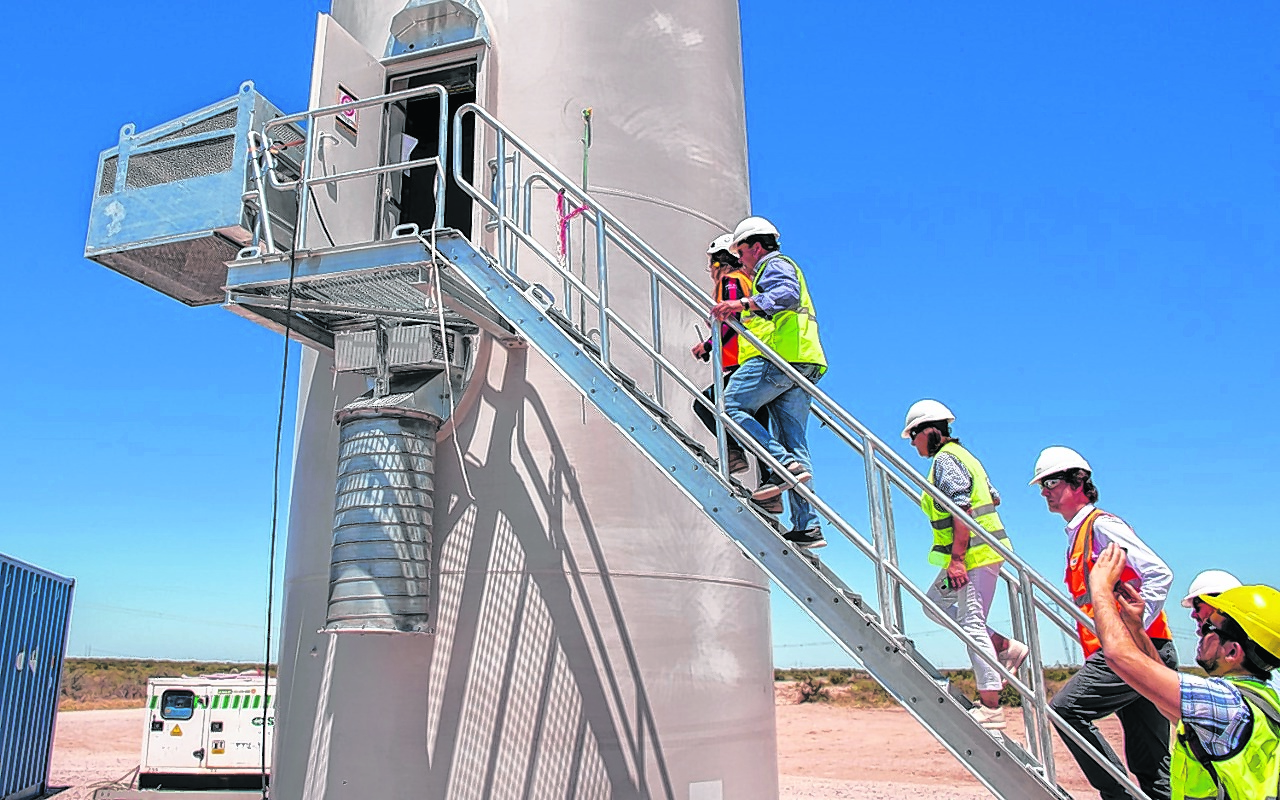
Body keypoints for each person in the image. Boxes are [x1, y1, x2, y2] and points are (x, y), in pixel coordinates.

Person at [1030, 445, 1178, 800]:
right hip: (1134, 652)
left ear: (1078, 482)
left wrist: (1134, 628)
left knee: (1066, 710)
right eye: (1041, 486)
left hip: (1132, 651)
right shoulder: (1077, 535)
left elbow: (1159, 573)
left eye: (1050, 482)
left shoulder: (1102, 526)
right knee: (1152, 765)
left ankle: (1118, 797)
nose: (1045, 491)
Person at [1087, 550, 1280, 800]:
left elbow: (1118, 656)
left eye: (1210, 627)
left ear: (1233, 651)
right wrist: (1136, 628)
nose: (1200, 631)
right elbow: (1162, 696)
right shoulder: (1259, 698)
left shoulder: (1224, 701)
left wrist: (1100, 589)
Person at [902, 400, 1028, 731]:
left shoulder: (945, 460)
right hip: (978, 553)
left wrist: (957, 559)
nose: (913, 445)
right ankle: (1004, 648)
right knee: (934, 604)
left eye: (913, 437)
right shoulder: (965, 457)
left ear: (928, 431)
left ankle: (991, 707)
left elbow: (962, 510)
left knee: (971, 622)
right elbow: (993, 496)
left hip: (974, 556)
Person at [711, 216, 827, 549]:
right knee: (795, 442)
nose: (740, 259)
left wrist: (742, 303)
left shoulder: (774, 265)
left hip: (784, 358)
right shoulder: (769, 269)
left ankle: (778, 465)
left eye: (742, 251)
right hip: (806, 360)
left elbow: (787, 295)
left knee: (729, 404)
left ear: (756, 246)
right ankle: (808, 526)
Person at [690, 234, 781, 514]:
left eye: (711, 264)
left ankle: (733, 452)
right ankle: (772, 490)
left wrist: (707, 345)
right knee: (758, 425)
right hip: (758, 360)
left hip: (744, 363)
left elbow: (732, 324)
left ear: (719, 262)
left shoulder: (730, 282)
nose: (711, 271)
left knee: (706, 403)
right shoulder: (749, 282)